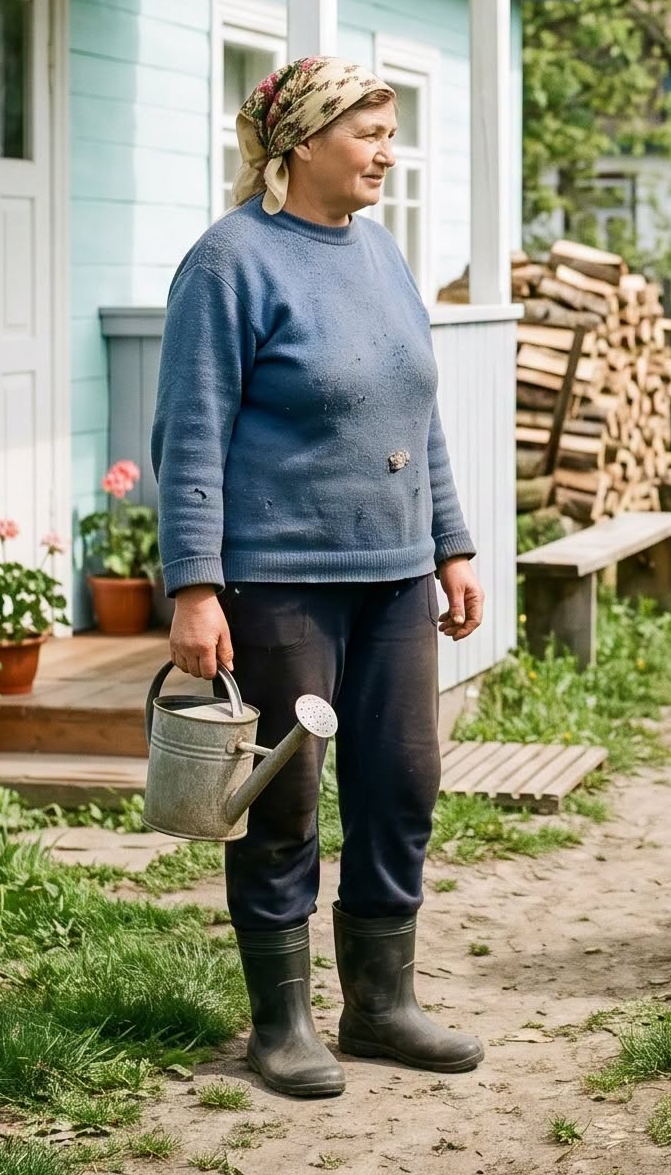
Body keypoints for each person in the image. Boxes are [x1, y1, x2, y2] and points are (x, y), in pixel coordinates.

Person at [152, 56, 487, 1097]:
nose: (388, 153)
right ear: (301, 143)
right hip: (279, 580)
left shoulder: (382, 254)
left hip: (393, 577)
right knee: (282, 799)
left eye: (390, 133)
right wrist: (194, 585)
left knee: (401, 784)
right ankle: (282, 1022)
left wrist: (451, 542)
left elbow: (417, 412)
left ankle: (380, 1006)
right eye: (369, 134)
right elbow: (189, 434)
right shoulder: (230, 263)